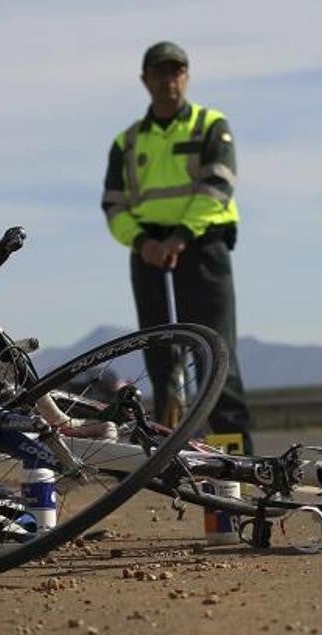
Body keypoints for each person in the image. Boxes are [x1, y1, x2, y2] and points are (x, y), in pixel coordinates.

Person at [101, 41, 253, 454]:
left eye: (177, 71)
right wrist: (143, 242)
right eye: (160, 72)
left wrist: (179, 237)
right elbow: (113, 206)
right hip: (148, 250)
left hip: (201, 246)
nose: (170, 80)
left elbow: (217, 187)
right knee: (159, 358)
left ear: (187, 75)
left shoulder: (210, 125)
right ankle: (172, 457)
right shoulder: (127, 143)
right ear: (145, 80)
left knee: (215, 355)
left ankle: (238, 466)